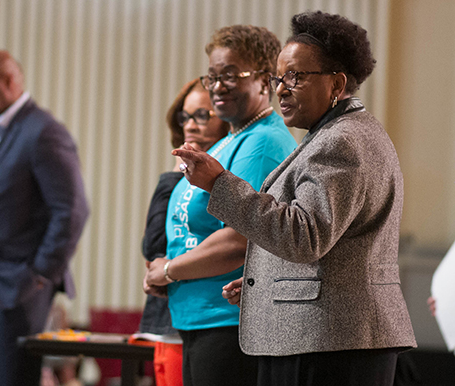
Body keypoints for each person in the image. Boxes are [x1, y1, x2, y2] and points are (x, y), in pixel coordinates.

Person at [173, 11, 417, 386]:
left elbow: (305, 236)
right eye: (278, 78)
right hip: (325, 334)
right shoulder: (338, 134)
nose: (281, 89)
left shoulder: (341, 141)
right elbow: (331, 242)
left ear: (336, 83)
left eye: (295, 77)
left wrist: (219, 182)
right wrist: (268, 278)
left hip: (330, 341)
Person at [145, 25, 298, 386]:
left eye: (230, 75)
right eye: (212, 76)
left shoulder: (261, 143)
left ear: (264, 80)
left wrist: (169, 271)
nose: (216, 86)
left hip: (227, 322)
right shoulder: (229, 140)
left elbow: (239, 238)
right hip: (200, 317)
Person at [0, 49, 89, 386]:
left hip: (18, 286)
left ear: (9, 81)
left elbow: (72, 209)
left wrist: (38, 275)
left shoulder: (43, 132)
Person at [139, 78, 229, 386]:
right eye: (185, 117)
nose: (191, 125)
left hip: (221, 316)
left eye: (202, 115)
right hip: (174, 315)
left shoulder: (239, 176)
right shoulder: (170, 183)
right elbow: (153, 251)